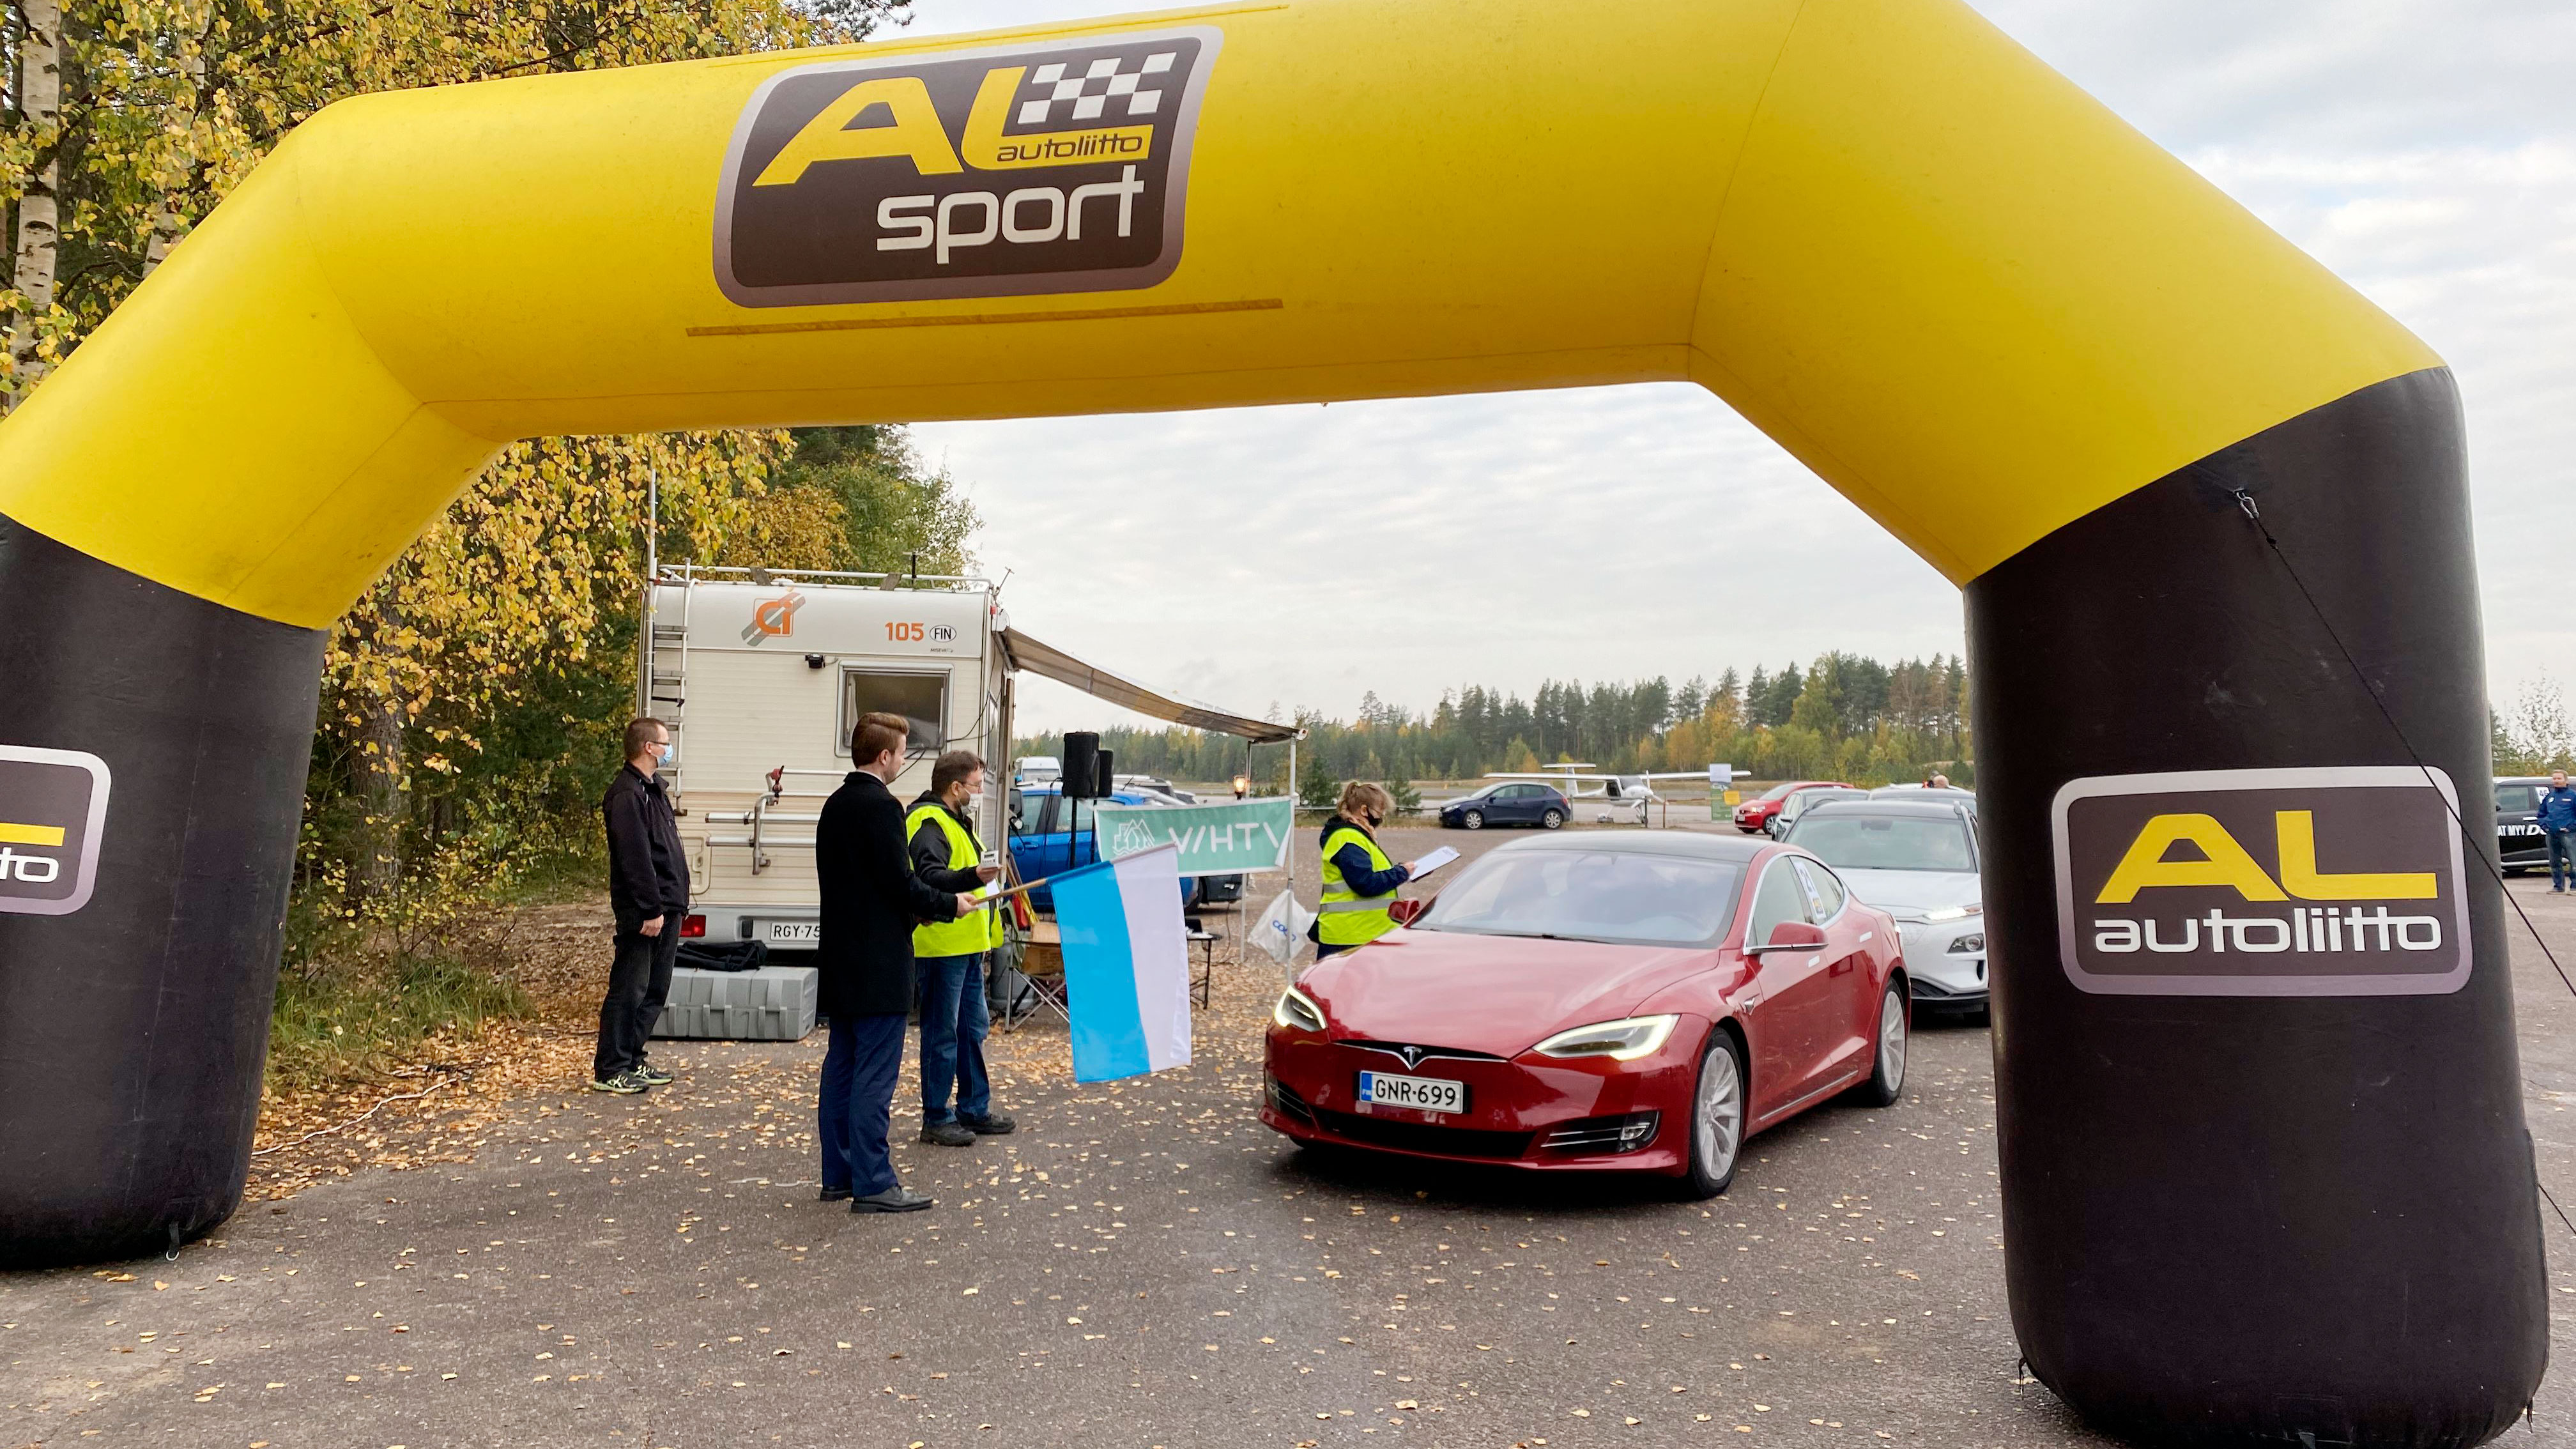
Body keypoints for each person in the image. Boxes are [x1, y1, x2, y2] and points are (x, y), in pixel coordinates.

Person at [815, 712, 974, 1213]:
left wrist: (917, 907)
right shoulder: (882, 808)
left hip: (840, 958)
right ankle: (874, 1182)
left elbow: (865, 885)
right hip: (879, 962)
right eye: (903, 753)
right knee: (874, 1075)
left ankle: (838, 1175)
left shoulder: (834, 805)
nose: (904, 761)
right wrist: (946, 905)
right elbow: (898, 882)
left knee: (841, 1067)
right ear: (884, 756)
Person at [907, 750, 1014, 1146]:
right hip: (941, 947)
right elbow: (929, 874)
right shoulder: (928, 821)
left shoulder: (957, 822)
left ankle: (973, 1107)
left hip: (967, 946)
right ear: (955, 787)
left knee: (973, 1029)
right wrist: (973, 875)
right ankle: (936, 1116)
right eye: (976, 784)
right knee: (942, 1033)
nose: (981, 791)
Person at [594, 717, 687, 1094]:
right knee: (630, 987)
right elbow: (635, 857)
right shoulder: (627, 795)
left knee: (654, 988)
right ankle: (611, 1067)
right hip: (645, 910)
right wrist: (650, 909)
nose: (669, 749)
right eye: (665, 743)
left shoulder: (652, 790)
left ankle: (632, 1058)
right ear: (649, 747)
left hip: (667, 906)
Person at [1309, 780, 1419, 958]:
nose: (1381, 816)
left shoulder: (1357, 837)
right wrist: (1401, 873)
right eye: (1379, 811)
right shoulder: (1348, 838)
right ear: (1363, 810)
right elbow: (1366, 883)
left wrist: (1402, 871)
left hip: (1360, 933)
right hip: (1350, 936)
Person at [2540, 769, 2576, 893]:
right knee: (2554, 861)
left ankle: (2575, 886)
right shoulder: (2550, 797)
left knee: (2574, 860)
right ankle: (2558, 886)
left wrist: (2571, 827)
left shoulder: (2573, 796)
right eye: (2554, 778)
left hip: (2569, 834)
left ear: (2566, 780)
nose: (2556, 781)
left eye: (2559, 778)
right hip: (2552, 834)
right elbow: (2541, 813)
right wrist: (2544, 826)